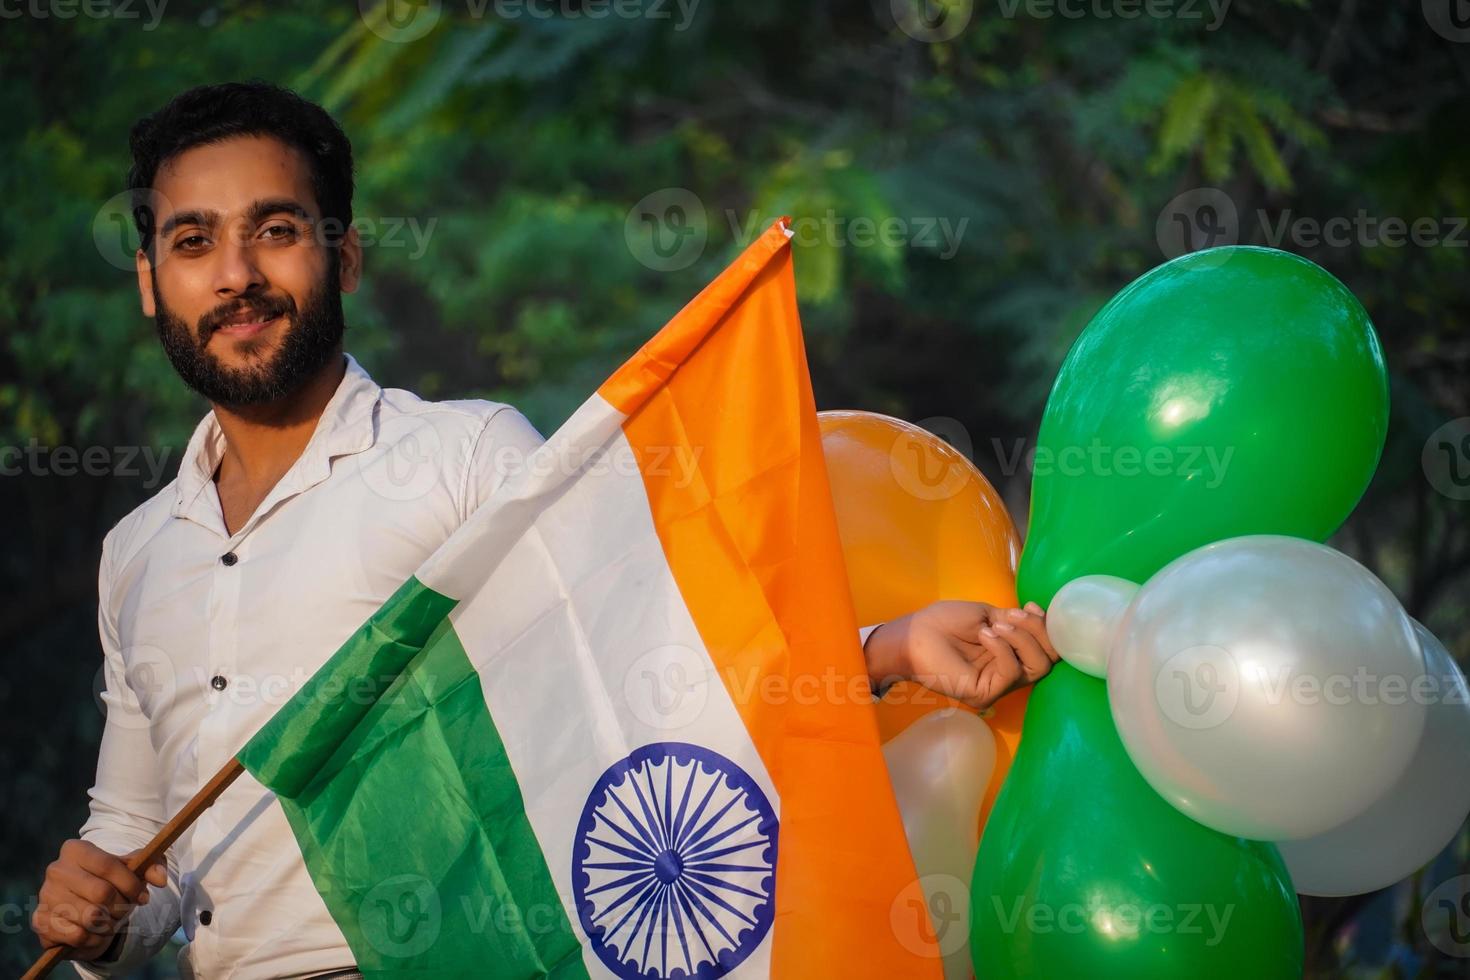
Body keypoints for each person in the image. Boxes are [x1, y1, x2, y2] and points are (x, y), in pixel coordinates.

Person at [30, 81, 1058, 978]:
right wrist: (98, 922)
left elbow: (653, 676)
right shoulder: (139, 553)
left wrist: (886, 650)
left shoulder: (464, 460)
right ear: (149, 279)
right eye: (193, 240)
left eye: (277, 229)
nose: (237, 273)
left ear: (343, 256)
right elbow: (141, 857)